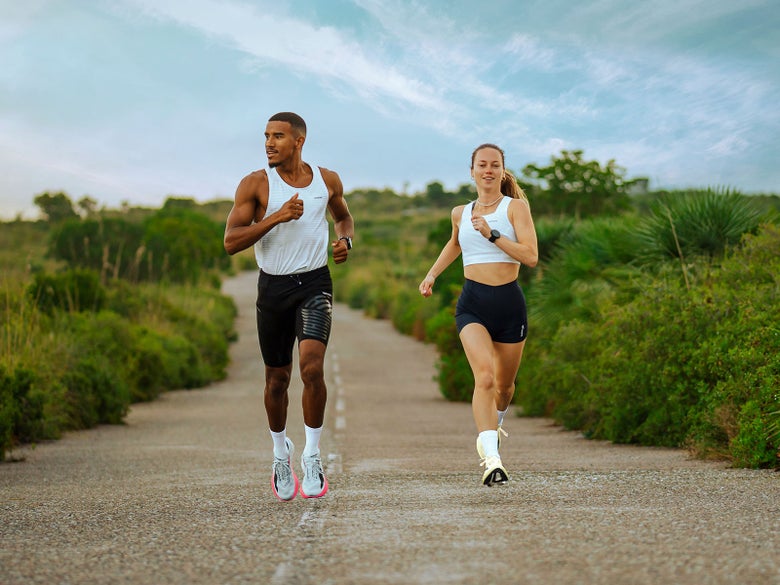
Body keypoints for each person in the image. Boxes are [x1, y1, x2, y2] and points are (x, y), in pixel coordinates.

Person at [224, 112, 354, 501]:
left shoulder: (327, 179)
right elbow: (231, 241)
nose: (268, 143)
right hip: (273, 289)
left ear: (298, 141)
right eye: (266, 136)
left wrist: (346, 243)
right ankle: (281, 453)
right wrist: (277, 217)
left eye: (277, 136)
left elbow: (344, 217)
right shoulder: (255, 185)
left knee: (312, 367)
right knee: (277, 380)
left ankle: (312, 455)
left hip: (314, 283)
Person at [418, 143, 538, 486]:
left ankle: (494, 424)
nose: (488, 170)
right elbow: (455, 243)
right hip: (473, 304)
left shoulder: (516, 209)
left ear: (502, 170)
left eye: (494, 165)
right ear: (472, 171)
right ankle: (491, 458)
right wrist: (432, 274)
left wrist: (493, 234)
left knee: (504, 386)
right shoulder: (460, 212)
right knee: (483, 377)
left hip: (509, 304)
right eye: (482, 165)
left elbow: (530, 257)